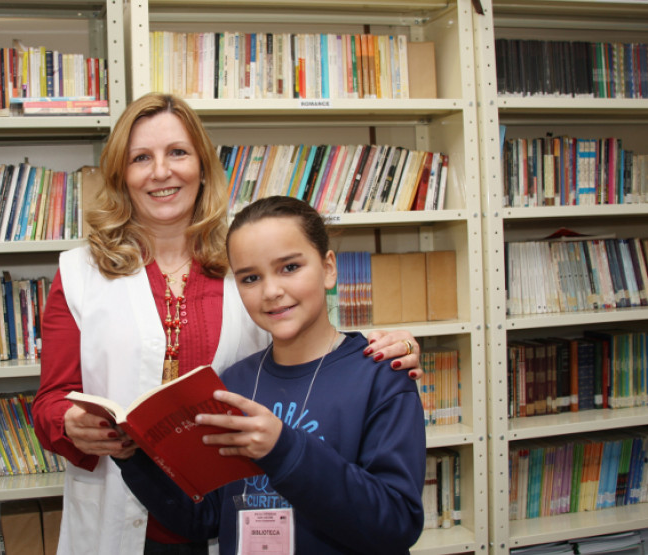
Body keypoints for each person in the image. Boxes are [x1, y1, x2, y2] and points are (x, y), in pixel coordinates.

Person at [31, 92, 423, 555]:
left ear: (202, 164)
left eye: (177, 152)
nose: (161, 172)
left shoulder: (245, 254)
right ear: (121, 174)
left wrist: (384, 347)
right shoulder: (81, 272)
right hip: (126, 516)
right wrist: (71, 423)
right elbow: (50, 402)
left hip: (235, 516)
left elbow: (306, 332)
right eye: (141, 158)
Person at [115, 195, 426, 554]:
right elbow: (205, 518)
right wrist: (134, 457)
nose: (272, 291)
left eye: (290, 267)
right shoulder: (233, 383)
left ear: (328, 268)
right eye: (250, 278)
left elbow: (396, 523)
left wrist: (284, 448)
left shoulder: (381, 377)